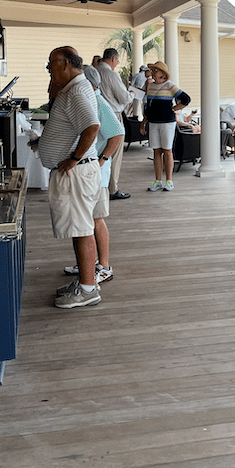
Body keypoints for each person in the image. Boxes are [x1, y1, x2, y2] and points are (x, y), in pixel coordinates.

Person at [37, 47, 108, 309]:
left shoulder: (77, 90)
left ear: (65, 63)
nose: (49, 69)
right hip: (77, 172)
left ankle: (88, 289)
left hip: (76, 172)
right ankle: (85, 280)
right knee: (80, 228)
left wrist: (74, 158)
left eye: (51, 64)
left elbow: (92, 127)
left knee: (82, 230)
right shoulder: (74, 87)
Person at [58, 75, 125, 294]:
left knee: (96, 219)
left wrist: (102, 158)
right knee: (85, 220)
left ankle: (104, 266)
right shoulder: (85, 100)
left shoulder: (97, 102)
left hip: (95, 172)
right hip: (86, 171)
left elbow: (116, 134)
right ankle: (87, 264)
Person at [141, 60, 189, 192]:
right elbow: (148, 106)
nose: (153, 72)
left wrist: (176, 107)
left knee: (167, 151)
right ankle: (157, 180)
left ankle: (169, 181)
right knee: (156, 151)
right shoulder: (150, 86)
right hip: (154, 123)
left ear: (162, 73)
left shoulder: (170, 85)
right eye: (153, 70)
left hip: (167, 123)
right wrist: (144, 122)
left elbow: (186, 99)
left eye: (156, 70)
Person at [95, 48, 132, 200]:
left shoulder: (94, 71)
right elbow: (124, 98)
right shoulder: (111, 74)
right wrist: (132, 95)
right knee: (114, 153)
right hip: (112, 114)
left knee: (98, 149)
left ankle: (98, 185)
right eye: (117, 61)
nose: (117, 64)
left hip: (94, 114)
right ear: (113, 59)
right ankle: (112, 188)